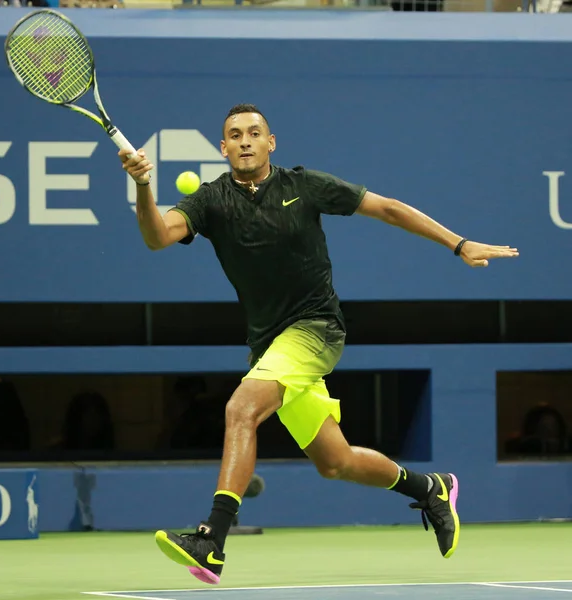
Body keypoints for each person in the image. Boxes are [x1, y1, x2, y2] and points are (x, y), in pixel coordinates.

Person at [119, 103, 519, 585]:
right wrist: (143, 185)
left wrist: (459, 244)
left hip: (317, 328)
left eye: (254, 133)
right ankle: (431, 488)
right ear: (222, 148)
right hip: (269, 346)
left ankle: (212, 540)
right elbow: (157, 237)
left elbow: (387, 208)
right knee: (336, 462)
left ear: (271, 143)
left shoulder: (303, 186)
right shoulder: (211, 201)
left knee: (240, 409)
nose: (245, 141)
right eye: (234, 135)